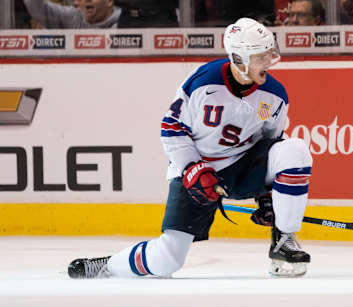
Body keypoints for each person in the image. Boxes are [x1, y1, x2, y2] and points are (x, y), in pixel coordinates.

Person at [67, 17, 313, 279]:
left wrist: (266, 197)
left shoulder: (275, 95)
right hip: (196, 168)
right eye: (261, 56)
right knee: (167, 260)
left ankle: (284, 239)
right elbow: (171, 128)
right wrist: (194, 169)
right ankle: (109, 265)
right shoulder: (204, 81)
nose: (270, 62)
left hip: (241, 167)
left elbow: (271, 144)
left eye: (269, 53)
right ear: (239, 58)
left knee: (294, 149)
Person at [23, 0, 121, 28]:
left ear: (109, 2)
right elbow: (39, 9)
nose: (87, 0)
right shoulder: (73, 16)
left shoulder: (124, 23)